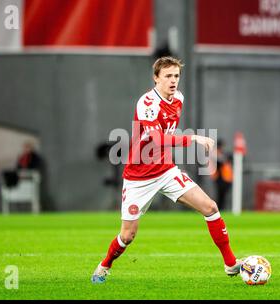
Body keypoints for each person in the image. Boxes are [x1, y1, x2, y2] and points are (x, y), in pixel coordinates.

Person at [91, 56, 242, 284]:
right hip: (138, 177)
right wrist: (192, 138)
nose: (173, 81)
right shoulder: (147, 103)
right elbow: (156, 138)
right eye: (168, 76)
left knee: (210, 207)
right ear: (155, 78)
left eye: (176, 76)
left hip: (166, 171)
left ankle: (230, 264)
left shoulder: (178, 98)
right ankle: (104, 265)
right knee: (127, 235)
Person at [209, 139, 233, 210]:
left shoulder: (223, 154)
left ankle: (221, 209)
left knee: (223, 195)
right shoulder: (216, 154)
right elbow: (220, 162)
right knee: (220, 195)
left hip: (226, 178)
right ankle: (219, 209)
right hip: (219, 178)